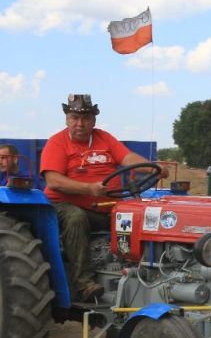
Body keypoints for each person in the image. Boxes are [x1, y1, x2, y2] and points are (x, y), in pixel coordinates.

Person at [40, 93, 153, 301]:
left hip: (107, 205)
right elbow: (53, 180)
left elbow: (127, 158)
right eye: (75, 118)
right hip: (63, 206)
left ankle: (143, 271)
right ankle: (83, 283)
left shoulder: (104, 138)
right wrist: (87, 189)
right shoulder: (57, 143)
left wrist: (153, 167)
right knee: (75, 218)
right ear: (67, 119)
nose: (80, 123)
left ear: (93, 120)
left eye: (86, 118)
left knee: (139, 215)